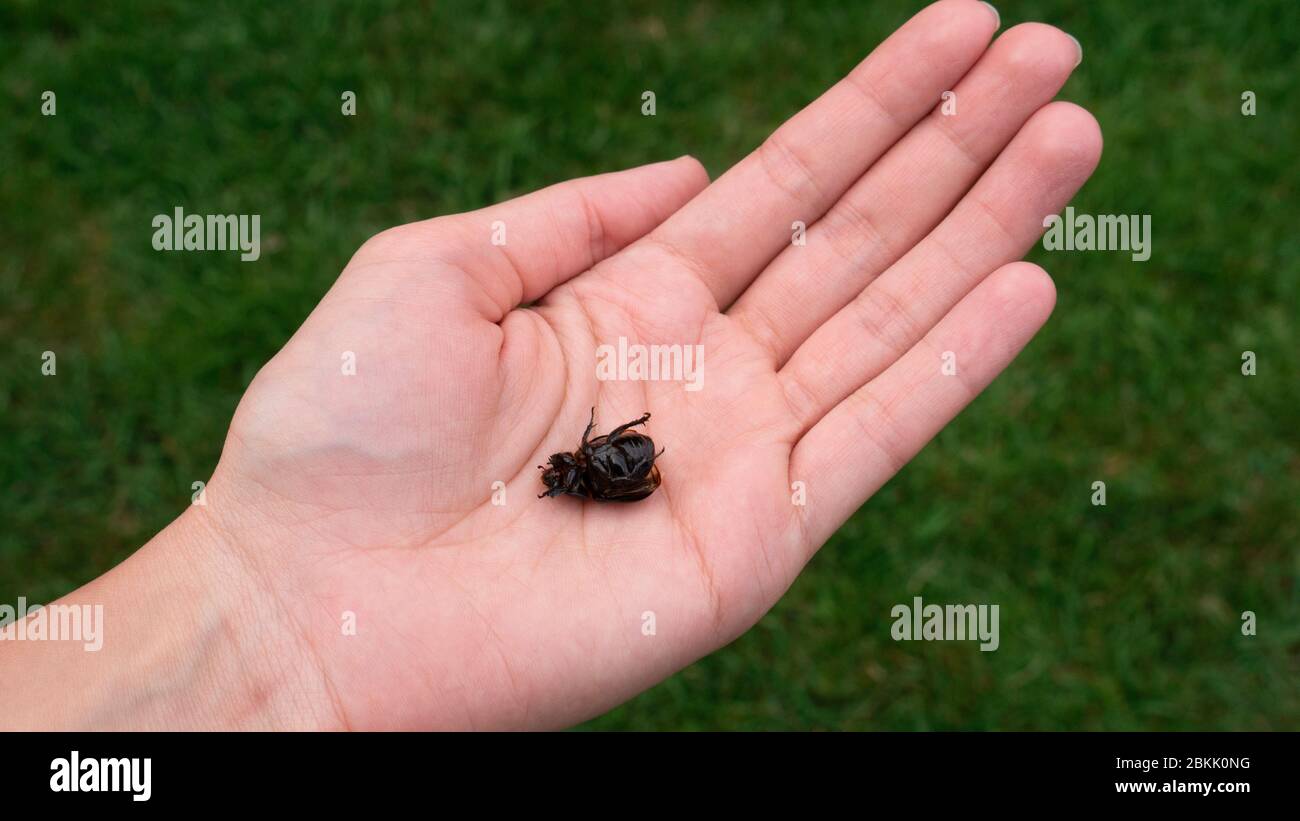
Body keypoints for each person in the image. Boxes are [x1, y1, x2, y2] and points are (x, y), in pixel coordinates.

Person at [0, 0, 1099, 730]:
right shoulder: (586, 474)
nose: (557, 479)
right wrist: (267, 596)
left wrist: (261, 606)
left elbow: (616, 462)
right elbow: (617, 463)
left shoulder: (584, 471)